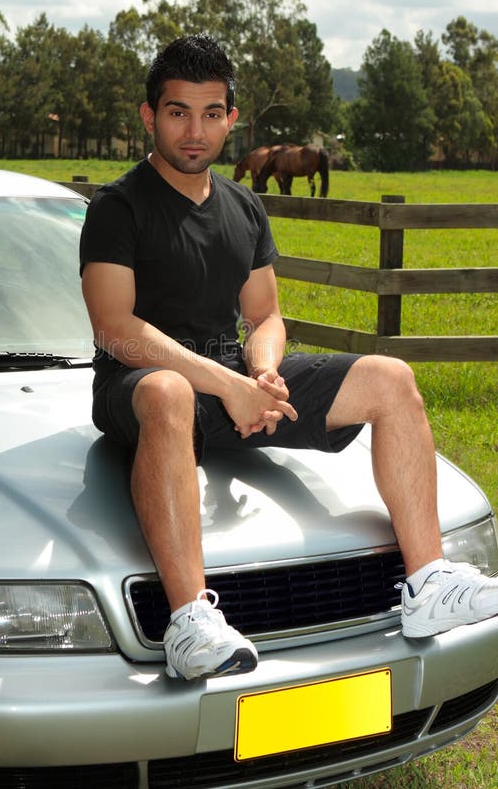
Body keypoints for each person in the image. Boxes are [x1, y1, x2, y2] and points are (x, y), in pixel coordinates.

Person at [80, 34, 498, 681]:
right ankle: (190, 622)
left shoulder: (244, 206)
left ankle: (429, 583)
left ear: (232, 119)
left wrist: (265, 370)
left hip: (232, 377)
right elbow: (115, 328)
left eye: (211, 113)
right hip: (142, 386)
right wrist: (230, 385)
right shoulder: (119, 206)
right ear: (148, 116)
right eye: (177, 112)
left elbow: (265, 315)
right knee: (170, 391)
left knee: (390, 377)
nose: (195, 131)